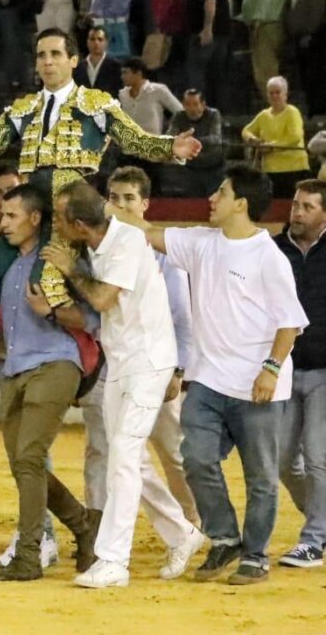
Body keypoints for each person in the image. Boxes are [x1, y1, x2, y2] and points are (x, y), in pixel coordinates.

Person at [0, 29, 201, 310]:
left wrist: (169, 147)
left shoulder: (95, 103)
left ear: (73, 60)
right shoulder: (24, 108)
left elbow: (134, 139)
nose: (47, 61)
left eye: (55, 54)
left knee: (47, 288)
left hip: (72, 201)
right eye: (41, 55)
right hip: (29, 198)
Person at [120, 165, 308, 584]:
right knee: (197, 458)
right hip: (207, 381)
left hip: (258, 384)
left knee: (261, 476)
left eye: (220, 192)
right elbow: (144, 230)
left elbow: (289, 323)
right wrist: (87, 197)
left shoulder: (268, 257)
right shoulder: (200, 243)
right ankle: (225, 539)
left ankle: (255, 554)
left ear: (241, 203)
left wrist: (271, 369)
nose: (212, 198)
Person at [47, 181, 203, 587]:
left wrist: (69, 268)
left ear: (79, 225)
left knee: (122, 455)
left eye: (60, 219)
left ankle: (113, 560)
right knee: (131, 459)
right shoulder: (99, 238)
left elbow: (101, 300)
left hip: (149, 361)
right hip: (122, 361)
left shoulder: (128, 242)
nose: (55, 225)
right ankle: (182, 533)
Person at [0, 184, 102, 581]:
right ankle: (85, 524)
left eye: (11, 216)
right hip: (15, 366)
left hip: (57, 362)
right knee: (25, 462)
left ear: (36, 219)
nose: (2, 223)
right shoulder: (10, 263)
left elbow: (94, 317)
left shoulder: (59, 258)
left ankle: (30, 554)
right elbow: (11, 316)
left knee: (30, 459)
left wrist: (53, 311)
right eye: (2, 215)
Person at [273, 179, 326, 569]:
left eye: (307, 207)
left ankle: (314, 539)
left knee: (317, 458)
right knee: (280, 460)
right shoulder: (275, 250)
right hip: (286, 368)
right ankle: (321, 524)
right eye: (295, 205)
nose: (297, 212)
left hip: (325, 370)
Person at [242, 76, 312, 199]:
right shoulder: (263, 115)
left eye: (278, 92)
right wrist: (253, 139)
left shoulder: (292, 112)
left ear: (285, 94)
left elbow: (295, 137)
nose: (274, 96)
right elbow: (246, 130)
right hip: (270, 171)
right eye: (271, 93)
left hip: (293, 170)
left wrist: (271, 147)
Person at [288, 0, 326, 118]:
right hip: (300, 40)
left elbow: (317, 12)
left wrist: (310, 34)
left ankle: (318, 112)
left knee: (315, 78)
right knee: (306, 80)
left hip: (314, 41)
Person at [166, 89, 226, 197]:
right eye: (188, 104)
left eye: (195, 104)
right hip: (190, 169)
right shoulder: (179, 116)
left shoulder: (213, 114)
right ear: (183, 105)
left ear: (203, 104)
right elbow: (170, 137)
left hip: (214, 168)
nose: (192, 109)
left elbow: (216, 139)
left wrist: (189, 142)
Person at [118, 58, 182, 136]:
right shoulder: (122, 95)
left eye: (125, 73)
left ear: (138, 73)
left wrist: (170, 134)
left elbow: (181, 112)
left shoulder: (158, 90)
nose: (122, 77)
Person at [74, 25, 123, 95]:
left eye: (100, 39)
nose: (96, 43)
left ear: (106, 42)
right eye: (92, 39)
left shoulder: (116, 66)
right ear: (87, 42)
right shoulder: (78, 67)